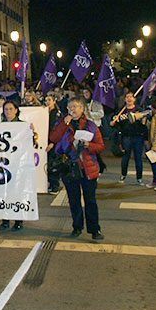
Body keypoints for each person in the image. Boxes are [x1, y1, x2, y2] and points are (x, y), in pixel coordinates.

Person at [49, 97, 105, 241]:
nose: (72, 110)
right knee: (74, 200)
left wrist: (89, 146)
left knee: (90, 200)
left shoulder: (91, 125)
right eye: (70, 107)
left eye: (76, 106)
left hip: (87, 167)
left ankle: (94, 229)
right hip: (69, 167)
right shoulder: (62, 123)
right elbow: (53, 138)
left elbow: (100, 146)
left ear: (82, 109)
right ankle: (77, 226)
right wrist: (64, 124)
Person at [0, 100, 30, 230]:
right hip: (3, 164)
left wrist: (31, 132)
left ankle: (18, 220)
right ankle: (5, 219)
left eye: (11, 109)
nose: (8, 112)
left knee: (17, 191)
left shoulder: (23, 125)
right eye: (6, 109)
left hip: (18, 164)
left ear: (16, 110)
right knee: (4, 191)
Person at [111, 92, 147, 185]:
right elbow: (117, 125)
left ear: (134, 99)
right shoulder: (121, 111)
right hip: (126, 137)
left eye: (131, 97)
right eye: (127, 97)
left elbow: (144, 124)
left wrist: (142, 119)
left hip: (138, 137)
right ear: (125, 99)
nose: (129, 98)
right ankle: (123, 175)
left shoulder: (139, 110)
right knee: (125, 157)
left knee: (138, 158)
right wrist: (113, 123)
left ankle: (139, 178)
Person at [45, 94, 62, 194]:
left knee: (53, 164)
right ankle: (51, 184)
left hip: (53, 142)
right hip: (45, 141)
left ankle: (55, 185)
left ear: (54, 101)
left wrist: (52, 142)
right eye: (46, 100)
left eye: (49, 100)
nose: (47, 102)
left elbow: (56, 130)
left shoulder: (56, 114)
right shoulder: (45, 112)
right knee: (48, 164)